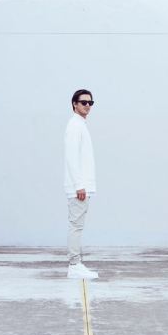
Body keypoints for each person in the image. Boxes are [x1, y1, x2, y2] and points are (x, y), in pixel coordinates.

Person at [65, 89, 98, 279]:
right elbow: (71, 158)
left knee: (78, 225)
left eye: (90, 103)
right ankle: (74, 265)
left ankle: (76, 264)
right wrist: (79, 185)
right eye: (83, 102)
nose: (87, 106)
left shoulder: (80, 125)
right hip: (78, 187)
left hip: (83, 186)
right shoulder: (74, 126)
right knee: (76, 226)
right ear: (74, 104)